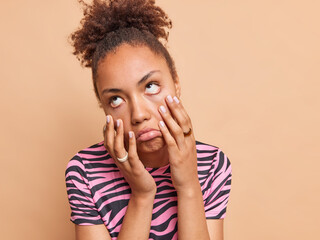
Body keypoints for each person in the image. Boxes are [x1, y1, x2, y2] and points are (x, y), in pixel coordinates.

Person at [65, 0, 232, 239]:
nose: (139, 114)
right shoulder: (84, 171)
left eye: (151, 86)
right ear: (103, 107)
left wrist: (188, 185)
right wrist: (142, 194)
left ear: (176, 82)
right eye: (115, 100)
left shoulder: (212, 164)